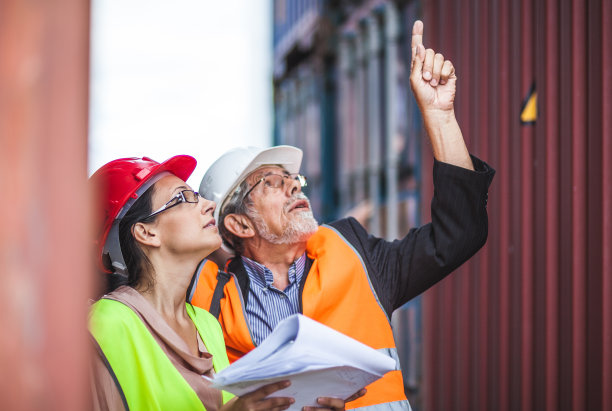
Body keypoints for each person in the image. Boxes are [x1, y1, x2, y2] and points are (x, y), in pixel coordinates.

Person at [189, 20, 495, 410]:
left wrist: (440, 116)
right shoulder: (205, 299)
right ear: (238, 224)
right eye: (270, 183)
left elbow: (460, 234)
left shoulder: (355, 254)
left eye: (292, 178)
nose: (295, 186)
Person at [89, 156, 356, 411]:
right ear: (147, 232)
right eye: (185, 197)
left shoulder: (206, 325)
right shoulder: (107, 323)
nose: (209, 205)